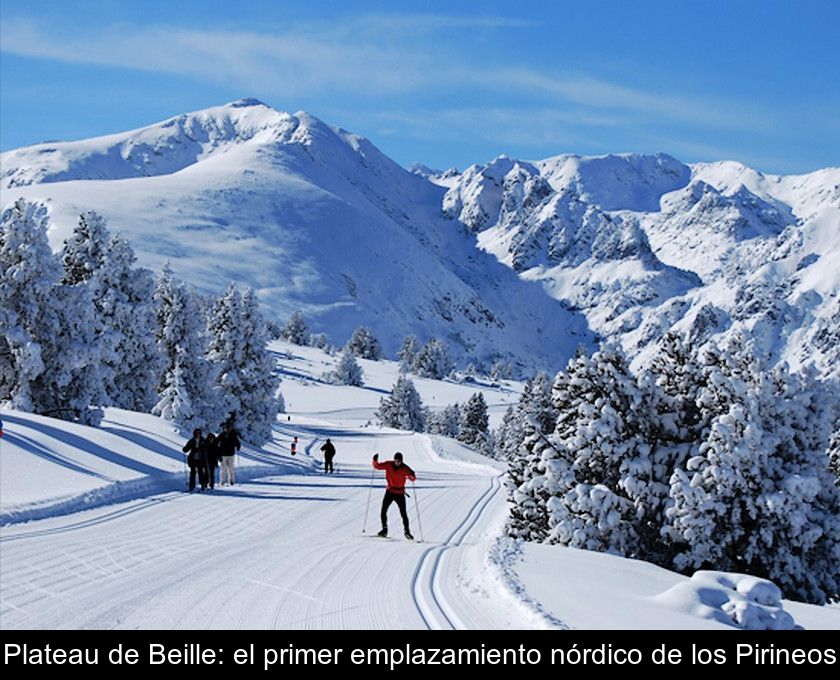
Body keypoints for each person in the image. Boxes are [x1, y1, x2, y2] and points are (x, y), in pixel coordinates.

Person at [372, 452, 416, 539]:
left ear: (401, 461)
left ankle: (407, 532)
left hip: (400, 493)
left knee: (403, 513)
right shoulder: (389, 465)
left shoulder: (405, 468)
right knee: (383, 510)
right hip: (390, 491)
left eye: (399, 461)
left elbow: (412, 479)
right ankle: (384, 530)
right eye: (396, 460)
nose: (397, 462)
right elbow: (377, 466)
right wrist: (375, 460)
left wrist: (412, 474)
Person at [217, 422, 241, 486]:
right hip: (223, 454)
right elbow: (216, 441)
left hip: (231, 454)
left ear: (230, 428)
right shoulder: (222, 435)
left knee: (231, 468)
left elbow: (237, 442)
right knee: (223, 469)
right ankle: (222, 481)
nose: (227, 429)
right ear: (224, 428)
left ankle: (231, 480)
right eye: (226, 428)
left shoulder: (233, 435)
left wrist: (238, 447)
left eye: (228, 428)